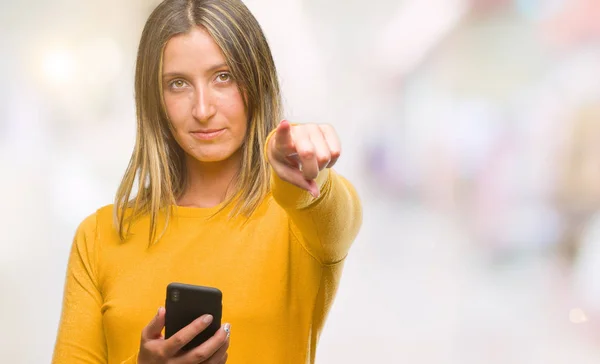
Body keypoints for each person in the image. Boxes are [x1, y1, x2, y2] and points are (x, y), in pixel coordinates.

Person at [51, 0, 362, 363]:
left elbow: (335, 209)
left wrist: (303, 169)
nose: (202, 109)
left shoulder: (300, 220)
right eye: (178, 83)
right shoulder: (99, 237)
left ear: (256, 80)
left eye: (223, 77)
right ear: (156, 99)